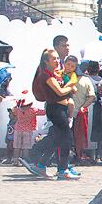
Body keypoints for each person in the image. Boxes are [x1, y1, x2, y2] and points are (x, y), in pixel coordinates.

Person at [28, 49, 78, 179]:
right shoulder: (46, 75)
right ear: (46, 61)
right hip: (55, 109)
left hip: (62, 108)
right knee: (66, 138)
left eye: (57, 58)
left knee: (57, 138)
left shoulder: (56, 73)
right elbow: (60, 91)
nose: (57, 61)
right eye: (53, 59)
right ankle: (62, 170)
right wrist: (71, 88)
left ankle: (41, 164)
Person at [64, 56, 95, 164]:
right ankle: (73, 156)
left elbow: (92, 96)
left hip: (73, 113)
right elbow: (92, 97)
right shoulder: (65, 77)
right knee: (74, 137)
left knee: (74, 137)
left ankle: (73, 156)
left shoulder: (83, 79)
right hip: (72, 113)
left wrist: (82, 107)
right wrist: (83, 107)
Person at [12, 96, 43, 162]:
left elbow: (13, 111)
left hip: (18, 129)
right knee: (26, 147)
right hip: (28, 130)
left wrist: (17, 103)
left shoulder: (17, 109)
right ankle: (25, 160)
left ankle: (15, 160)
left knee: (17, 146)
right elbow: (43, 112)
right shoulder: (33, 110)